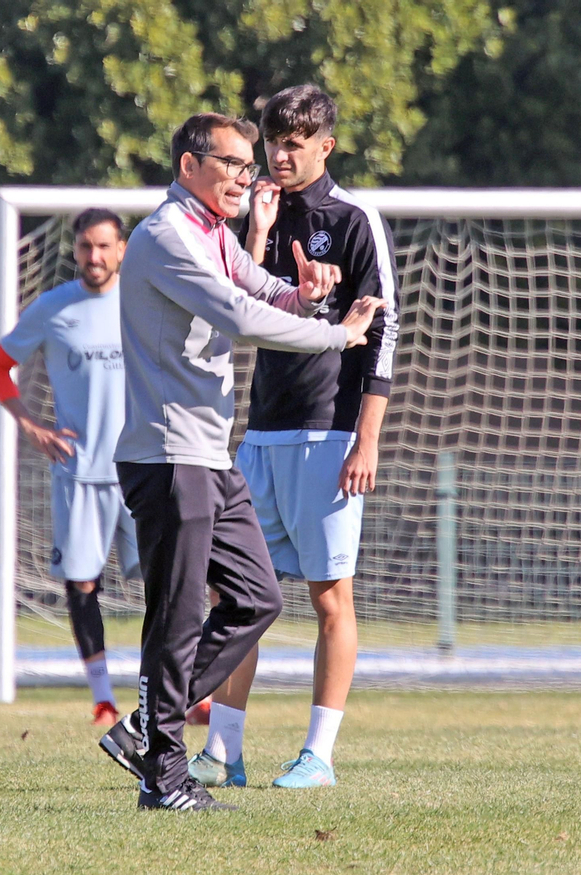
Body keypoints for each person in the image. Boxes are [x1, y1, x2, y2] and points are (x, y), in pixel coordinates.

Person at [98, 111, 386, 812]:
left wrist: (306, 296)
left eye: (245, 166)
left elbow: (262, 289)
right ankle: (164, 778)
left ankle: (146, 727)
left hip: (208, 456)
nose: (242, 177)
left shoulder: (211, 232)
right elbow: (239, 315)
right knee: (175, 617)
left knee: (257, 597)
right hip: (169, 456)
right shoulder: (166, 235)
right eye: (229, 163)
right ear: (189, 166)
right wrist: (334, 335)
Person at [188, 85, 399, 791]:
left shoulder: (353, 219)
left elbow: (383, 333)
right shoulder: (257, 213)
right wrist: (256, 233)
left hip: (329, 435)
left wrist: (366, 440)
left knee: (329, 597)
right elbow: (233, 305)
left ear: (324, 146)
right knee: (236, 596)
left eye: (293, 143)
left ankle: (319, 755)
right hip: (261, 434)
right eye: (273, 141)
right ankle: (224, 752)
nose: (279, 154)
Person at [0, 208, 139, 727]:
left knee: (170, 582)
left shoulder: (144, 301)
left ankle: (181, 692)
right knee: (82, 584)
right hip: (79, 472)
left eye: (104, 246)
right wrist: (30, 426)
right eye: (85, 246)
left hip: (143, 469)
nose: (94, 256)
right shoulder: (53, 307)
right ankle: (103, 699)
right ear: (75, 249)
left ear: (121, 249)